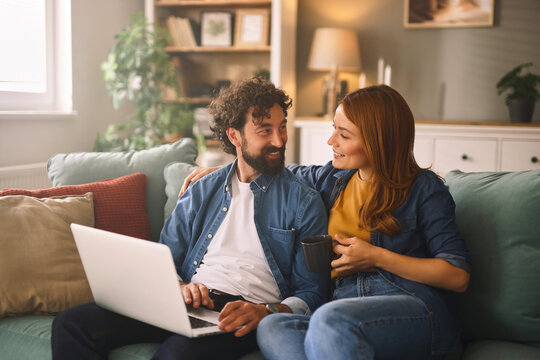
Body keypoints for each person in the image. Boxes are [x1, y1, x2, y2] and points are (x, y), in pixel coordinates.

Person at [183, 85, 472, 360]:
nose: (331, 141)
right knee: (273, 326)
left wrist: (377, 257)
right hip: (339, 311)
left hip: (408, 307)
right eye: (334, 129)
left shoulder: (423, 188)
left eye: (344, 134)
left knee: (329, 319)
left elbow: (457, 275)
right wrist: (227, 169)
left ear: (377, 140)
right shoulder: (330, 180)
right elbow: (278, 170)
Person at [51, 77, 329, 360]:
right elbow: (166, 259)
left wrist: (267, 311)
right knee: (71, 324)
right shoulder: (202, 189)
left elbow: (313, 291)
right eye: (265, 131)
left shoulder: (303, 201)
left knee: (176, 354)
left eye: (282, 127)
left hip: (240, 312)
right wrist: (181, 287)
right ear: (234, 136)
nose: (279, 140)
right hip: (184, 302)